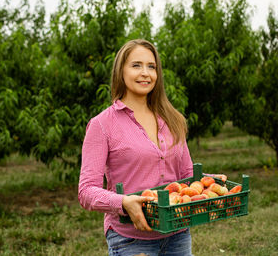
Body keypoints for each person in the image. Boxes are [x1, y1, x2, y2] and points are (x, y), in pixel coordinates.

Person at [78, 39, 194, 256]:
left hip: (177, 233)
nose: (145, 73)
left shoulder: (173, 119)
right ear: (120, 71)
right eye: (136, 65)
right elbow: (86, 191)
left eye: (151, 67)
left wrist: (214, 185)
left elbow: (187, 177)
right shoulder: (102, 125)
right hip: (131, 239)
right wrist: (123, 202)